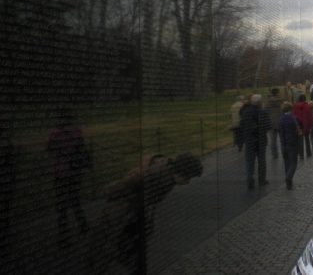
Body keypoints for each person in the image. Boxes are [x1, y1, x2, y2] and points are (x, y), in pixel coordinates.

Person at [90, 152, 202, 273]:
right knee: (108, 248)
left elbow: (149, 198)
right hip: (122, 214)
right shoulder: (156, 175)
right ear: (179, 172)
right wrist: (106, 192)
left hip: (133, 214)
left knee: (129, 253)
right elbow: (129, 182)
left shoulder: (168, 178)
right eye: (188, 178)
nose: (188, 182)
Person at [47, 112, 91, 245]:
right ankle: (83, 225)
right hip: (75, 171)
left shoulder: (55, 133)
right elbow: (82, 148)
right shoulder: (77, 131)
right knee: (75, 200)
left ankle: (64, 235)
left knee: (61, 205)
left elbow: (49, 149)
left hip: (61, 172)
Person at [239, 94, 271, 189]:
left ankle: (250, 179)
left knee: (249, 161)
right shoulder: (263, 112)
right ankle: (262, 179)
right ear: (260, 102)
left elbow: (241, 125)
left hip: (249, 140)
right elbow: (268, 126)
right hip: (261, 140)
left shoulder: (246, 112)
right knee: (261, 161)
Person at [278, 102, 301, 190]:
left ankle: (289, 183)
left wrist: (282, 144)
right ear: (290, 109)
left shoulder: (281, 119)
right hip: (292, 143)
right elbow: (298, 130)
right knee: (293, 163)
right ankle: (289, 177)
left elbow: (281, 133)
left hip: (284, 144)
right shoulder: (293, 118)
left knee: (287, 163)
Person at [293, 94, 313, 159]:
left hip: (299, 125)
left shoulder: (295, 106)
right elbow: (310, 117)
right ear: (305, 99)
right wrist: (311, 125)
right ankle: (308, 152)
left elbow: (294, 116)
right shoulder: (307, 106)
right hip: (306, 124)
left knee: (300, 140)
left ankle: (301, 154)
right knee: (307, 139)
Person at [265, 88, 284, 159]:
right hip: (281, 122)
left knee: (273, 141)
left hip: (271, 123)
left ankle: (274, 155)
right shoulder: (281, 102)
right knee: (282, 140)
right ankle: (284, 152)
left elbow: (265, 112)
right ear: (277, 93)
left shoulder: (268, 103)